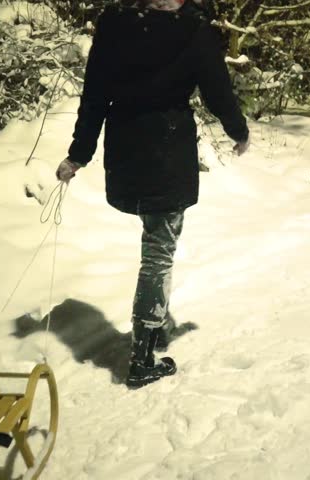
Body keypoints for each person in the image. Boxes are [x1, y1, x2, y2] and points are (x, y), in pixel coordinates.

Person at [57, 0, 249, 388]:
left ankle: (156, 324)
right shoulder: (194, 30)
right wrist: (239, 131)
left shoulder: (114, 25)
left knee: (157, 244)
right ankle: (143, 356)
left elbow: (94, 95)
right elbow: (217, 91)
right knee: (159, 251)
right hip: (166, 149)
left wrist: (78, 154)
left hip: (125, 147)